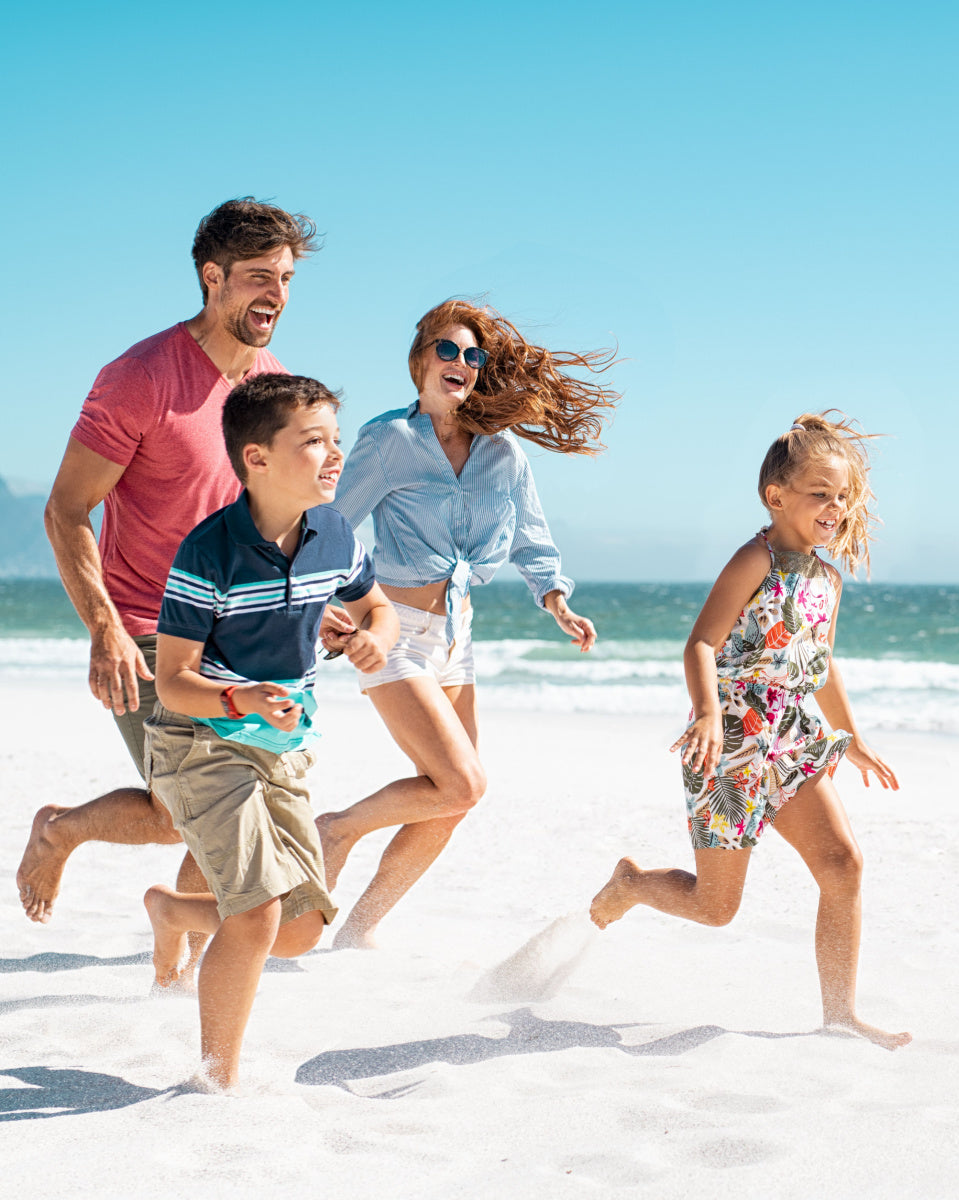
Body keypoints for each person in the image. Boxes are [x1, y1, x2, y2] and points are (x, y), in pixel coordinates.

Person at [17, 198, 319, 925]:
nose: (274, 294)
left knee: (213, 799)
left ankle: (176, 938)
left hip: (239, 628)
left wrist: (312, 599)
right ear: (211, 277)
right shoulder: (140, 378)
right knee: (195, 805)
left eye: (283, 277)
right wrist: (105, 630)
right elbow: (65, 510)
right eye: (256, 277)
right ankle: (62, 833)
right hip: (151, 627)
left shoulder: (271, 382)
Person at [589, 412, 912, 1050]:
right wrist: (707, 712)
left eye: (841, 496)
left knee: (843, 865)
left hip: (791, 734)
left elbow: (818, 666)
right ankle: (631, 884)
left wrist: (855, 737)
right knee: (717, 909)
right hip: (731, 740)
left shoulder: (827, 578)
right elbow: (701, 644)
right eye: (820, 493)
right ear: (777, 496)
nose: (834, 507)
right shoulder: (754, 558)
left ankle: (841, 1016)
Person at [316, 299, 618, 948]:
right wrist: (320, 602)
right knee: (460, 780)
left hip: (457, 637)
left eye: (473, 355)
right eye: (447, 351)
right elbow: (330, 524)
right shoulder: (388, 441)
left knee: (455, 798)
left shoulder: (502, 454)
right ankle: (336, 829)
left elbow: (532, 538)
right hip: (391, 629)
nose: (460, 363)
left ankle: (359, 930)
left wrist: (555, 600)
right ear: (420, 360)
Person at [142, 373, 398, 1091]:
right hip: (202, 740)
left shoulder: (335, 533)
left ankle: (172, 911)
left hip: (282, 748)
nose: (334, 455)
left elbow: (378, 608)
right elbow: (172, 680)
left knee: (301, 927)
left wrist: (375, 636)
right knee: (255, 915)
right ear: (255, 459)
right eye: (312, 441)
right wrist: (241, 697)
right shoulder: (208, 554)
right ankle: (213, 1081)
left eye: (335, 440)